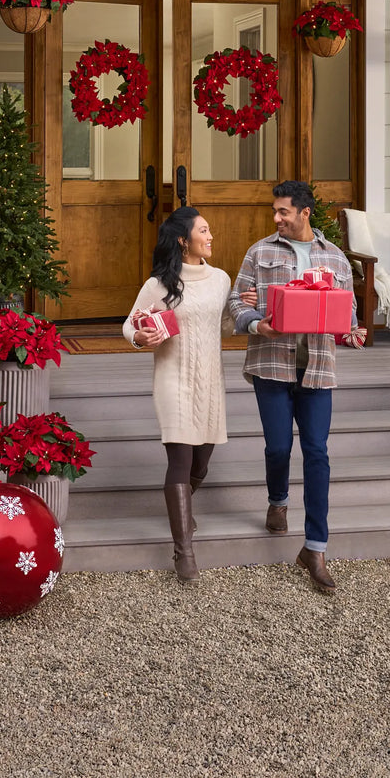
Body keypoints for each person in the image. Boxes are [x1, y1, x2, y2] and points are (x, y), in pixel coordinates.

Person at [228, 180, 359, 594]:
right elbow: (237, 303)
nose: (277, 218)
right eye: (275, 212)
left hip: (318, 370)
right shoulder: (259, 252)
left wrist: (352, 330)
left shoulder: (335, 259)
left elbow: (348, 310)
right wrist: (255, 322)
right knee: (279, 447)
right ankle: (278, 499)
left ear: (305, 213)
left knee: (318, 452)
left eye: (283, 211)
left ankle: (315, 548)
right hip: (271, 365)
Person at [123, 206, 233, 585]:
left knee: (200, 465)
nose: (211, 235)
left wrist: (245, 308)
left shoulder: (221, 279)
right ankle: (183, 549)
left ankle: (184, 509)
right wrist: (140, 337)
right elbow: (130, 323)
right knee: (180, 460)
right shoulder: (160, 284)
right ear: (184, 240)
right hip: (173, 380)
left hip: (210, 382)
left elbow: (226, 324)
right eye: (205, 230)